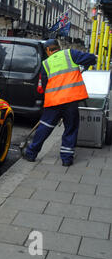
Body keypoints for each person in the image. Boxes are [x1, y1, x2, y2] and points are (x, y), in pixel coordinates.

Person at [23, 39, 97, 167]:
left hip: (54, 102)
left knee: (45, 128)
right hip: (71, 101)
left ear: (47, 50)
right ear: (59, 47)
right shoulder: (70, 54)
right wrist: (82, 67)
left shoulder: (45, 64)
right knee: (71, 128)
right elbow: (91, 58)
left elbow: (45, 86)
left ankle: (31, 153)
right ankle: (67, 159)